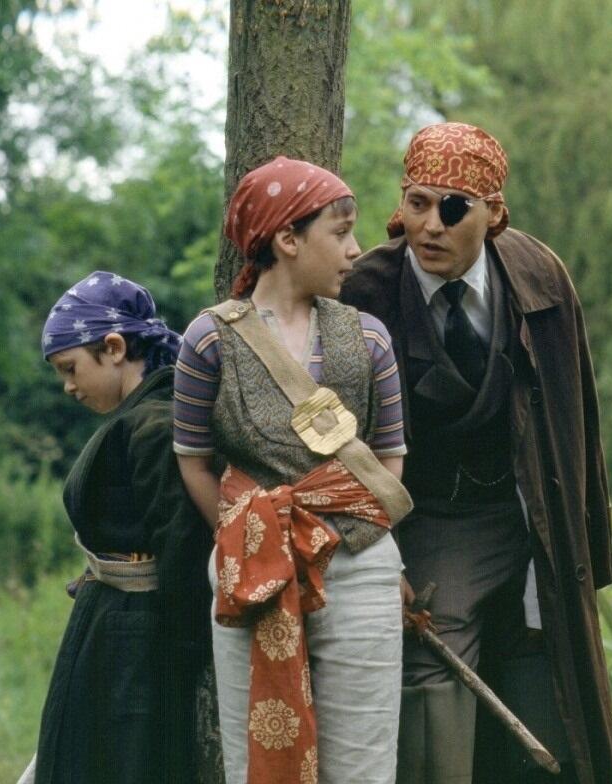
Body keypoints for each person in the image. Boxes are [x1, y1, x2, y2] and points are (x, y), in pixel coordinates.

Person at [340, 121, 612, 784]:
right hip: (429, 522)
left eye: (452, 208)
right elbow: (339, 446)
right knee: (434, 693)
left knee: (547, 692)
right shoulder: (367, 292)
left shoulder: (538, 274)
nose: (429, 225)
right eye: (416, 203)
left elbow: (576, 413)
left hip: (532, 515)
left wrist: (586, 545)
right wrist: (377, 555)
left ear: (493, 213)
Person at [173, 157, 413, 784]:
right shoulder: (208, 341)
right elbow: (192, 460)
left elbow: (389, 460)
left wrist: (345, 537)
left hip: (359, 564)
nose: (356, 250)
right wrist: (249, 534)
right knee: (254, 759)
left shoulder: (369, 339)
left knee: (364, 767)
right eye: (341, 232)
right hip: (253, 569)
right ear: (287, 239)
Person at [31, 271, 213, 784]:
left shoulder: (154, 425)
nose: (68, 386)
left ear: (113, 348)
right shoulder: (135, 420)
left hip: (140, 642)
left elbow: (182, 544)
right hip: (117, 627)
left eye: (70, 368)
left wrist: (185, 653)